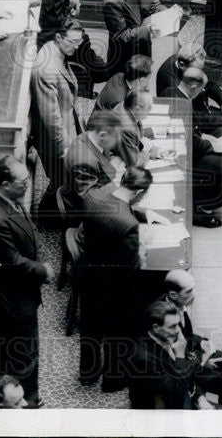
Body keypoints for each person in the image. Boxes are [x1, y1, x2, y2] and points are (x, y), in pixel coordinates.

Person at [0, 156, 51, 409]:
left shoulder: (10, 201)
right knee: (23, 355)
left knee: (24, 353)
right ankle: (25, 403)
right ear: (6, 184)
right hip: (13, 302)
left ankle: (25, 397)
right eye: (24, 181)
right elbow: (13, 262)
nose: (28, 185)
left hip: (22, 294)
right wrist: (43, 271)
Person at [79, 166, 152, 390]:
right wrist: (141, 250)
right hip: (115, 286)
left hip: (88, 274)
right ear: (139, 192)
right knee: (118, 331)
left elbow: (114, 209)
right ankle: (113, 380)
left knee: (89, 328)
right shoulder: (128, 226)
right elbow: (133, 268)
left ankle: (88, 372)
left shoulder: (93, 196)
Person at [154, 270, 222, 410]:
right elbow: (176, 364)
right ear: (173, 295)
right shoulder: (162, 318)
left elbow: (186, 336)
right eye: (189, 291)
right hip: (181, 367)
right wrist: (203, 362)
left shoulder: (179, 303)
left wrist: (202, 341)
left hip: (191, 355)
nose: (194, 294)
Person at [159, 67, 222, 227]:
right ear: (194, 87)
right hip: (182, 155)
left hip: (180, 146)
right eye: (201, 89)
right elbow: (189, 140)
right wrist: (212, 145)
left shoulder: (171, 92)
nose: (202, 92)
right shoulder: (183, 104)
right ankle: (200, 208)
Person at [30, 18, 85, 193]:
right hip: (54, 143)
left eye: (79, 41)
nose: (76, 47)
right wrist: (65, 151)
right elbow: (51, 119)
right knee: (62, 185)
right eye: (73, 42)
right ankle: (48, 217)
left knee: (63, 184)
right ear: (59, 38)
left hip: (66, 124)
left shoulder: (54, 49)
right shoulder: (47, 69)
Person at [128, 300, 211, 409]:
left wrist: (200, 398)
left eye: (178, 324)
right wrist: (180, 356)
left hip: (182, 397)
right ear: (156, 328)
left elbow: (187, 373)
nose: (178, 330)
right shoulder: (142, 359)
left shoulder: (167, 337)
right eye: (173, 326)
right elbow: (173, 391)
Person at [103, 0, 168, 77]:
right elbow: (120, 37)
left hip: (143, 49)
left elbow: (154, 4)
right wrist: (147, 30)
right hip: (125, 59)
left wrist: (165, 13)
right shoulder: (113, 0)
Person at [60, 111, 123, 218]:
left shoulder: (90, 136)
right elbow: (91, 200)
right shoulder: (84, 161)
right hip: (83, 212)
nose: (119, 140)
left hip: (98, 187)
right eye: (116, 137)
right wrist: (118, 185)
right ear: (103, 135)